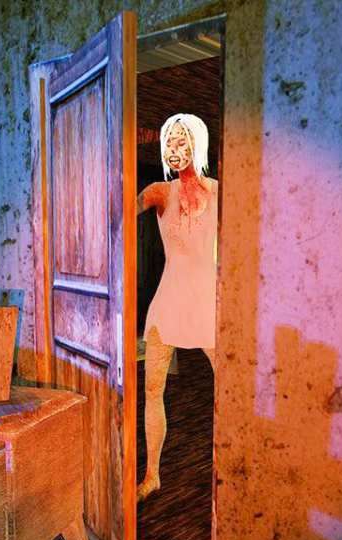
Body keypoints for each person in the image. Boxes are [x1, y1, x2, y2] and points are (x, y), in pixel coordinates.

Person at [137, 113, 217, 502]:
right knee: (153, 389)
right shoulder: (158, 192)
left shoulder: (219, 193)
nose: (173, 148)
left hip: (209, 300)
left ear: (197, 144)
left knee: (231, 388)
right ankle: (152, 474)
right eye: (169, 141)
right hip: (168, 299)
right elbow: (119, 215)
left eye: (181, 140)